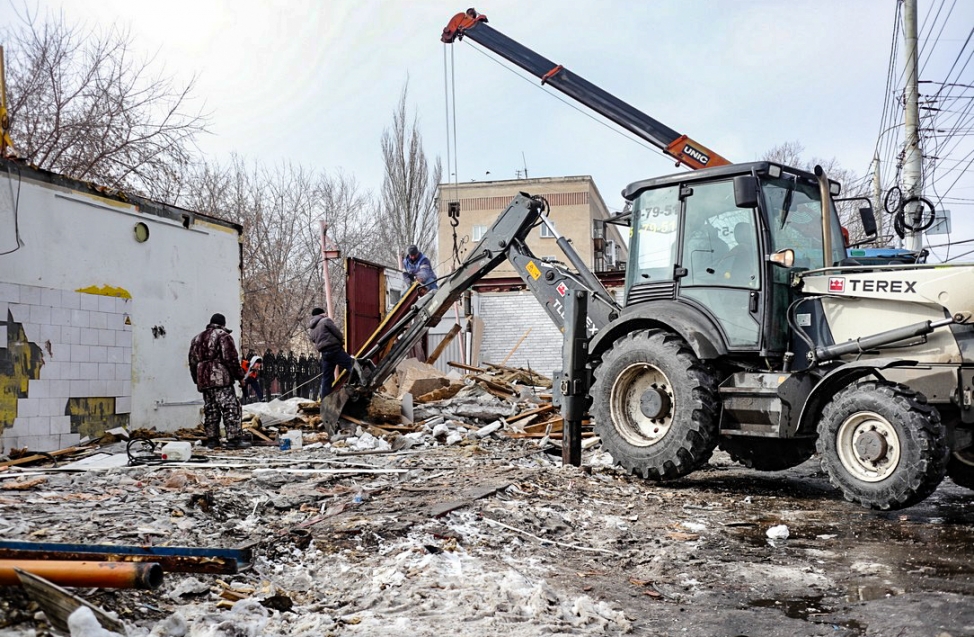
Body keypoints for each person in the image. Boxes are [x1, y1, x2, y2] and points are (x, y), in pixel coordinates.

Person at [188, 313, 251, 449]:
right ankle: (233, 440)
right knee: (230, 407)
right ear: (223, 324)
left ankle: (212, 439)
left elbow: (192, 362)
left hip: (204, 380)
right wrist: (240, 376)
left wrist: (196, 379)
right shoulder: (223, 336)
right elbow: (231, 358)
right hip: (220, 378)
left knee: (211, 409)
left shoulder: (196, 339)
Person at [309, 307, 355, 399]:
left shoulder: (312, 329)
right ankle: (359, 384)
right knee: (352, 366)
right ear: (321, 314)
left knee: (327, 378)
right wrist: (342, 340)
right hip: (334, 349)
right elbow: (336, 332)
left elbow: (313, 339)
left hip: (324, 353)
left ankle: (324, 399)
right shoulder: (326, 321)